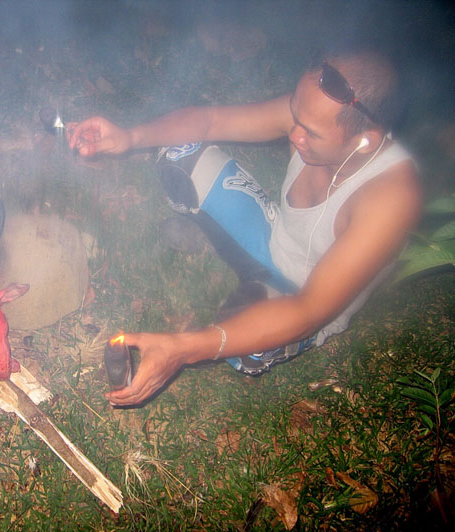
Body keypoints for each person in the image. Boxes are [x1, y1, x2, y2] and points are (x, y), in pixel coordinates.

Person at [67, 48, 422, 407]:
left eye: (310, 133)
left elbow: (308, 310)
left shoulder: (391, 197)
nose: (294, 134)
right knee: (178, 154)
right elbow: (209, 121)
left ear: (365, 141)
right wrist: (129, 137)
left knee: (247, 347)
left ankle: (249, 285)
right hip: (271, 234)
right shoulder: (312, 112)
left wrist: (183, 348)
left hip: (302, 298)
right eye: (295, 116)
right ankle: (222, 245)